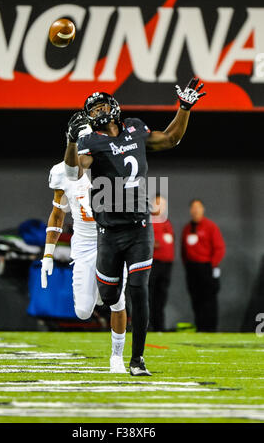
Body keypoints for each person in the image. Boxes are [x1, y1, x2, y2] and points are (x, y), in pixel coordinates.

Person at [63, 78, 206, 376]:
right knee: (111, 295)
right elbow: (75, 170)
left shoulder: (135, 128)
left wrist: (184, 108)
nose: (100, 111)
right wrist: (71, 141)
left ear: (114, 107)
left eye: (103, 104)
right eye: (94, 108)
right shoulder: (91, 141)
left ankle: (137, 359)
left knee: (139, 290)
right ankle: (116, 314)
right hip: (109, 231)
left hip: (140, 225)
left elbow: (170, 139)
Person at [41, 118, 127, 373]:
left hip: (111, 240)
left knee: (117, 301)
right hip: (85, 244)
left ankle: (117, 357)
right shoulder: (62, 172)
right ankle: (101, 288)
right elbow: (58, 215)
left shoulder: (112, 163)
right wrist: (48, 254)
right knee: (81, 311)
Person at [181, 198, 226, 332]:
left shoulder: (210, 227)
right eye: (193, 208)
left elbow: (219, 248)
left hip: (206, 267)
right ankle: (200, 327)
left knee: (209, 300)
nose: (195, 211)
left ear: (202, 209)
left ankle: (211, 328)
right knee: (196, 299)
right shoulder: (187, 228)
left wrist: (211, 265)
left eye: (198, 207)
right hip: (192, 268)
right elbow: (183, 250)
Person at [148, 194, 174, 331]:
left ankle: (159, 326)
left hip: (166, 265)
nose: (161, 207)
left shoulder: (166, 222)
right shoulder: (149, 220)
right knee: (149, 295)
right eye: (158, 203)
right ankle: (149, 325)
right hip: (153, 264)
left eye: (163, 204)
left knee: (161, 297)